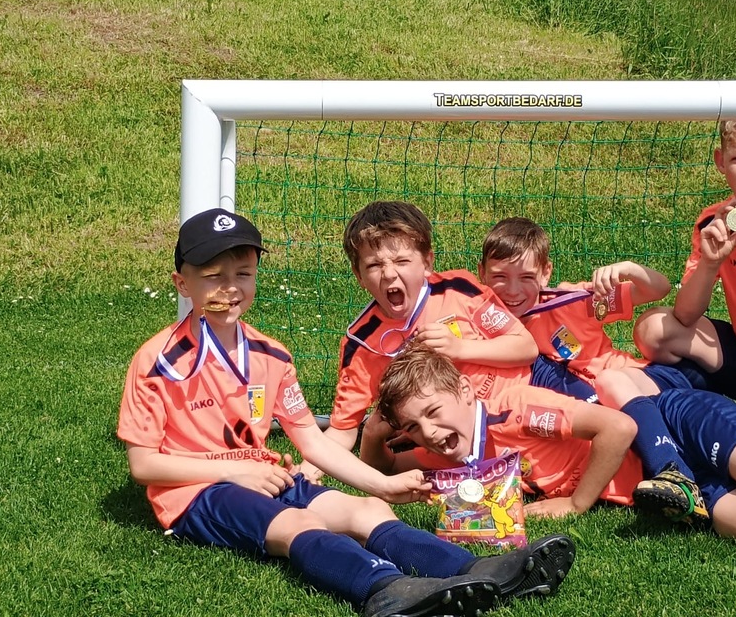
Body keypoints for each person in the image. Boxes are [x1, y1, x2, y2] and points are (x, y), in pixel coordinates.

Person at [117, 208, 576, 617]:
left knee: (366, 510)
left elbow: (312, 441)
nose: (231, 287)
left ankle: (482, 570)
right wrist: (234, 471)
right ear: (182, 284)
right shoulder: (157, 360)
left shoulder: (272, 356)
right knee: (299, 523)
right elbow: (144, 465)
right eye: (213, 276)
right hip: (197, 492)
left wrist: (384, 484)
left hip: (264, 476)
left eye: (243, 273)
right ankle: (386, 590)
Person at [366, 345, 736, 553]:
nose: (429, 432)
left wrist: (576, 502)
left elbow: (619, 427)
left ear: (464, 390)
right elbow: (386, 470)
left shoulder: (516, 409)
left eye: (433, 412)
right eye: (413, 427)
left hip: (678, 426)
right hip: (679, 490)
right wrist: (371, 436)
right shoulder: (452, 449)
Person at [476, 217, 708, 523]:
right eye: (500, 276)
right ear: (481, 273)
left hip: (642, 384)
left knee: (612, 384)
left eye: (526, 277)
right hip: (605, 417)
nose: (512, 290)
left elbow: (657, 289)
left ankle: (673, 473)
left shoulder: (569, 302)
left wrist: (628, 269)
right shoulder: (484, 328)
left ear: (546, 273)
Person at [304, 201, 538, 474]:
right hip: (456, 443)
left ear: (427, 262)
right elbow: (343, 430)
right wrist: (306, 472)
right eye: (374, 265)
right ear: (359, 276)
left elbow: (526, 347)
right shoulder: (362, 344)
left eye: (402, 261)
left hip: (526, 399)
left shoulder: (457, 290)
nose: (389, 274)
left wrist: (460, 348)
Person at [633, 119, 736, 427]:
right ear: (721, 162)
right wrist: (710, 263)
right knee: (653, 330)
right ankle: (710, 408)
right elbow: (685, 315)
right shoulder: (715, 223)